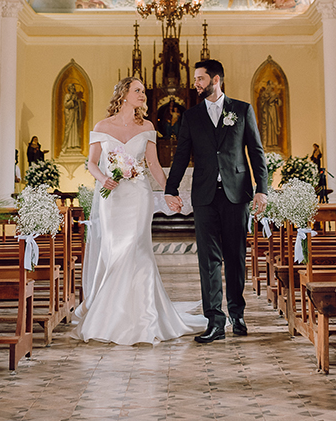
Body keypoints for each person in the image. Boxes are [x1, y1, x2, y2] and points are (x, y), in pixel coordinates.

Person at [72, 77, 205, 344]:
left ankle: (144, 319)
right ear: (123, 94)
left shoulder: (147, 126)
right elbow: (92, 164)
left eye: (144, 91)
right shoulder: (102, 126)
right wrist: (102, 179)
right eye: (138, 91)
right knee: (115, 251)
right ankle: (113, 316)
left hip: (139, 195)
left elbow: (154, 165)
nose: (143, 95)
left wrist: (169, 191)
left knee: (137, 248)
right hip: (113, 198)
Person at [165, 59, 268, 343]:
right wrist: (170, 189)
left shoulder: (242, 110)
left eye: (200, 78)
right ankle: (214, 320)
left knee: (235, 256)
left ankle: (237, 313)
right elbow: (181, 155)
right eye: (196, 79)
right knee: (207, 259)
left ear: (216, 79)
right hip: (205, 196)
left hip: (237, 194)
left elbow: (256, 152)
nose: (195, 83)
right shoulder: (191, 116)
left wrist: (262, 189)